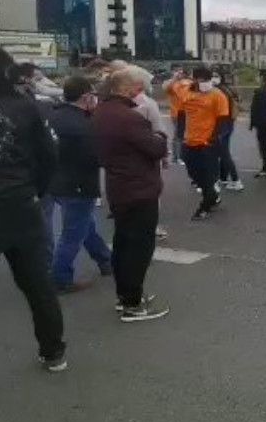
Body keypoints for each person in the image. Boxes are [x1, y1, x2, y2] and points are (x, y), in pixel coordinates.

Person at [0, 46, 68, 407]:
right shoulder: (24, 105)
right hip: (21, 206)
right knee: (38, 283)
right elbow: (49, 157)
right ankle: (54, 352)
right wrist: (32, 191)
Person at [93, 69, 170, 321]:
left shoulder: (101, 112)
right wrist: (160, 136)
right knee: (138, 248)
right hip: (139, 189)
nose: (140, 92)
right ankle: (132, 303)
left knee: (123, 244)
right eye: (138, 88)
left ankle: (124, 295)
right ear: (126, 89)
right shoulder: (129, 118)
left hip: (119, 187)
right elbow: (156, 148)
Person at [42, 76, 112, 293]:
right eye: (93, 95)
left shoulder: (52, 116)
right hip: (78, 184)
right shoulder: (83, 125)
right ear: (85, 97)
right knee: (73, 233)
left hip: (56, 181)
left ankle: (105, 260)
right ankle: (60, 277)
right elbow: (97, 158)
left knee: (85, 226)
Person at [168, 67, 229, 220]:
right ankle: (212, 195)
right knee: (194, 174)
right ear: (195, 79)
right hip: (189, 141)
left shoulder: (217, 95)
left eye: (207, 81)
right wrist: (180, 135)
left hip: (208, 142)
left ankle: (204, 207)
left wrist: (213, 139)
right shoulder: (185, 91)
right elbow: (181, 113)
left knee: (208, 176)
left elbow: (223, 119)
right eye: (202, 81)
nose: (205, 84)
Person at [125, 64, 170, 239]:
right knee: (151, 192)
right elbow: (159, 131)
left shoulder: (111, 102)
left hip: (124, 155)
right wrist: (165, 155)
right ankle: (152, 226)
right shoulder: (147, 104)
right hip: (146, 154)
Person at [213, 71, 244, 191]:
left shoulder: (218, 92)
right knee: (223, 152)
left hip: (221, 125)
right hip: (228, 124)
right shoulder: (228, 89)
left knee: (223, 154)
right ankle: (223, 178)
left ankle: (236, 180)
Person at [163, 65, 191, 165]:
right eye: (176, 71)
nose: (179, 73)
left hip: (187, 112)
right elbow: (166, 88)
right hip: (177, 112)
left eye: (180, 71)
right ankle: (177, 157)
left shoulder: (188, 82)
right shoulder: (171, 83)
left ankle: (181, 156)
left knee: (184, 135)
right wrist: (174, 78)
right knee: (178, 135)